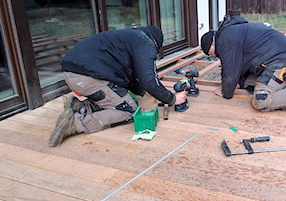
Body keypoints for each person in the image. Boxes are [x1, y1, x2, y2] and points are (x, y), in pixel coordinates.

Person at [49, 26, 187, 147]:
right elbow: (149, 80)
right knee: (130, 111)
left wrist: (145, 91)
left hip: (73, 73)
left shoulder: (131, 37)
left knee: (120, 98)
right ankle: (75, 123)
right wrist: (172, 99)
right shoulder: (146, 44)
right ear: (156, 44)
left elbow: (134, 74)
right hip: (87, 78)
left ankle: (82, 107)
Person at [200, 15, 286, 111]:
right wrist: (237, 82)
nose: (214, 56)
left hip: (282, 61)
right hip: (274, 60)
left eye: (210, 53)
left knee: (261, 100)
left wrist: (225, 92)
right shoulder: (232, 32)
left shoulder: (225, 39)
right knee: (245, 82)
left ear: (212, 43)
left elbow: (230, 72)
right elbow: (239, 65)